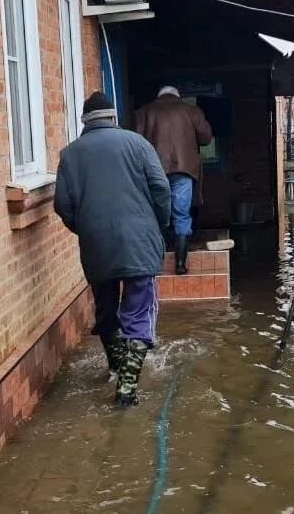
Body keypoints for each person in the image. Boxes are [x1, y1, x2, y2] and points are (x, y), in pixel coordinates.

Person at [54, 92, 171, 407]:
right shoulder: (138, 145)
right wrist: (159, 226)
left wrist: (88, 229)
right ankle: (127, 388)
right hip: (140, 243)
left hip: (96, 246)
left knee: (106, 310)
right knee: (138, 312)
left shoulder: (70, 154)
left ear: (84, 122)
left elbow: (62, 205)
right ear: (113, 117)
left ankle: (115, 367)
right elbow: (161, 189)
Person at [135, 87, 212, 275]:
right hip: (183, 170)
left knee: (156, 216)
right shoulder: (191, 111)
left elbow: (136, 142)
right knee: (182, 214)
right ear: (178, 96)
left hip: (154, 171)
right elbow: (206, 138)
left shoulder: (144, 112)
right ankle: (180, 265)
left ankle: (156, 264)